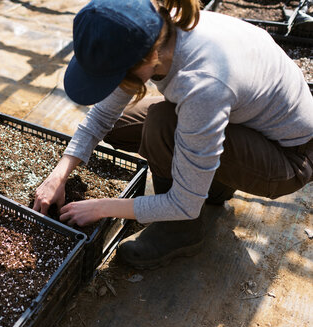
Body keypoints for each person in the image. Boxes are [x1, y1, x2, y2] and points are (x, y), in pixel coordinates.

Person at [32, 0, 313, 269]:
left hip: (288, 158)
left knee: (162, 125)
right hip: (247, 123)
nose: (110, 86)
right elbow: (103, 116)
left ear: (146, 60)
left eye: (113, 77)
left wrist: (101, 207)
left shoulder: (202, 84)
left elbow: (184, 203)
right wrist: (58, 176)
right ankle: (215, 180)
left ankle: (181, 232)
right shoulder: (156, 29)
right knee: (121, 126)